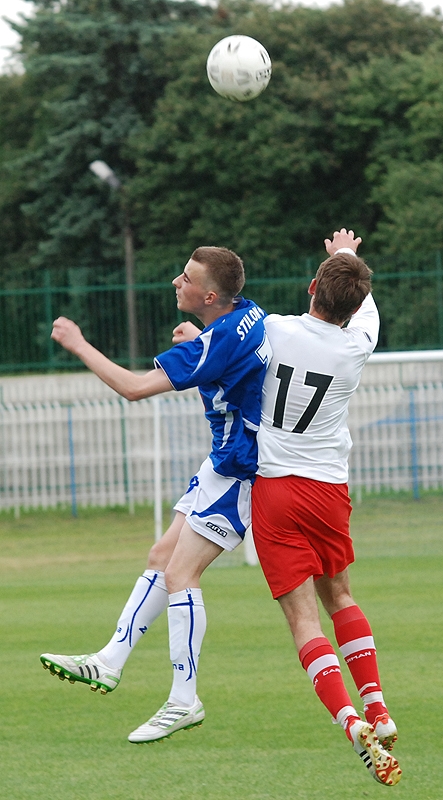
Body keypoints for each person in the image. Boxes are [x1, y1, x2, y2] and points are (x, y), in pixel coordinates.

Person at [41, 245, 271, 744]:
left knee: (180, 573)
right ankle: (108, 661)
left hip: (240, 470)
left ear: (209, 295)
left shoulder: (216, 340)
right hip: (224, 464)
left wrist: (78, 343)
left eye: (185, 278)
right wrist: (204, 337)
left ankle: (184, 699)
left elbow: (133, 387)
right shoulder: (249, 315)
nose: (175, 282)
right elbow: (235, 360)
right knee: (161, 555)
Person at [251, 229, 402, 786]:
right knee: (340, 595)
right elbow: (357, 301)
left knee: (302, 620)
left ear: (311, 287)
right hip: (328, 491)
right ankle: (379, 708)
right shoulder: (359, 342)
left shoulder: (273, 329)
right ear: (357, 305)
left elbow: (233, 357)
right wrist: (349, 254)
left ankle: (349, 722)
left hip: (276, 490)